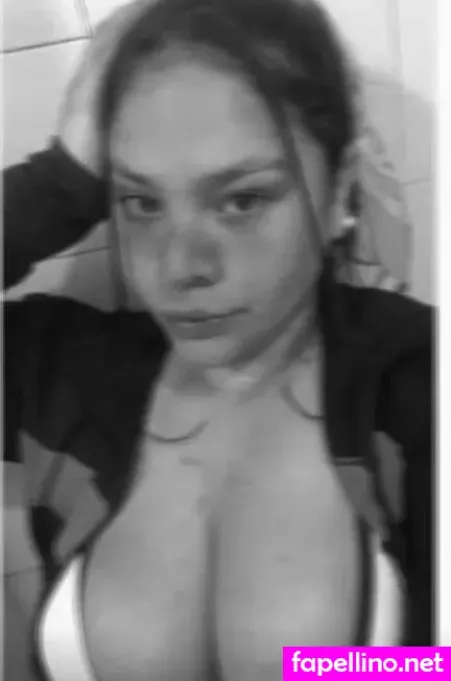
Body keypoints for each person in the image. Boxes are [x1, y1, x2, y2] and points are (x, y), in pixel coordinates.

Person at [4, 0, 433, 678]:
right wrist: (63, 178)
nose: (181, 266)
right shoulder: (61, 377)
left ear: (338, 192)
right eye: (141, 202)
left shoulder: (418, 384)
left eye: (242, 200)